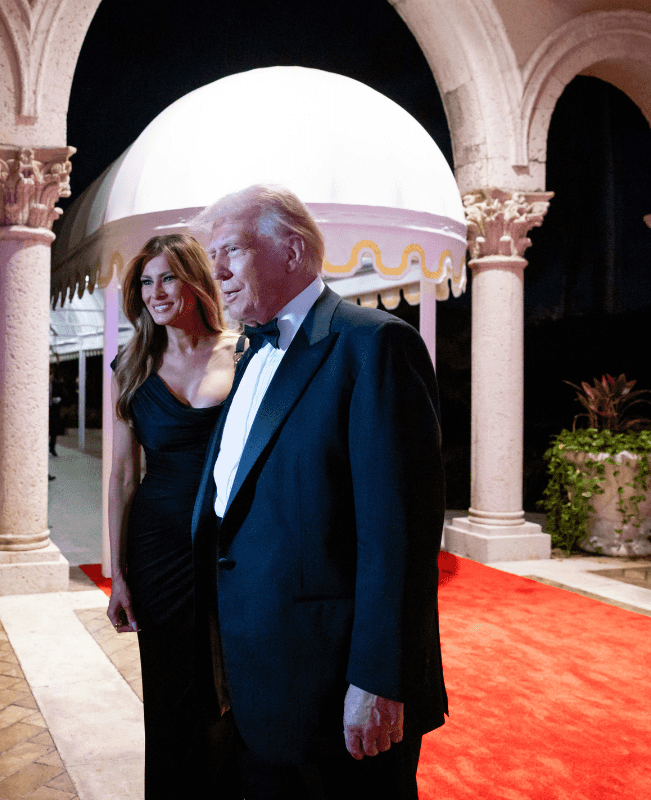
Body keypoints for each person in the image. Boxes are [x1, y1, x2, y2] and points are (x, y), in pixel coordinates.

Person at [189, 185, 447, 798]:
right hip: (254, 677)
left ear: (292, 249)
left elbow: (397, 533)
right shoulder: (250, 353)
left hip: (335, 687)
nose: (216, 272)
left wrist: (379, 680)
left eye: (230, 251)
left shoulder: (374, 344)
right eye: (211, 256)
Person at [102, 233, 239, 798]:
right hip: (157, 549)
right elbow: (121, 478)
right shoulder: (131, 363)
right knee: (169, 693)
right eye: (145, 281)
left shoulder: (246, 351)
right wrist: (118, 576)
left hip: (230, 544)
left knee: (231, 685)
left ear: (195, 281)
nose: (155, 292)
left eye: (167, 278)